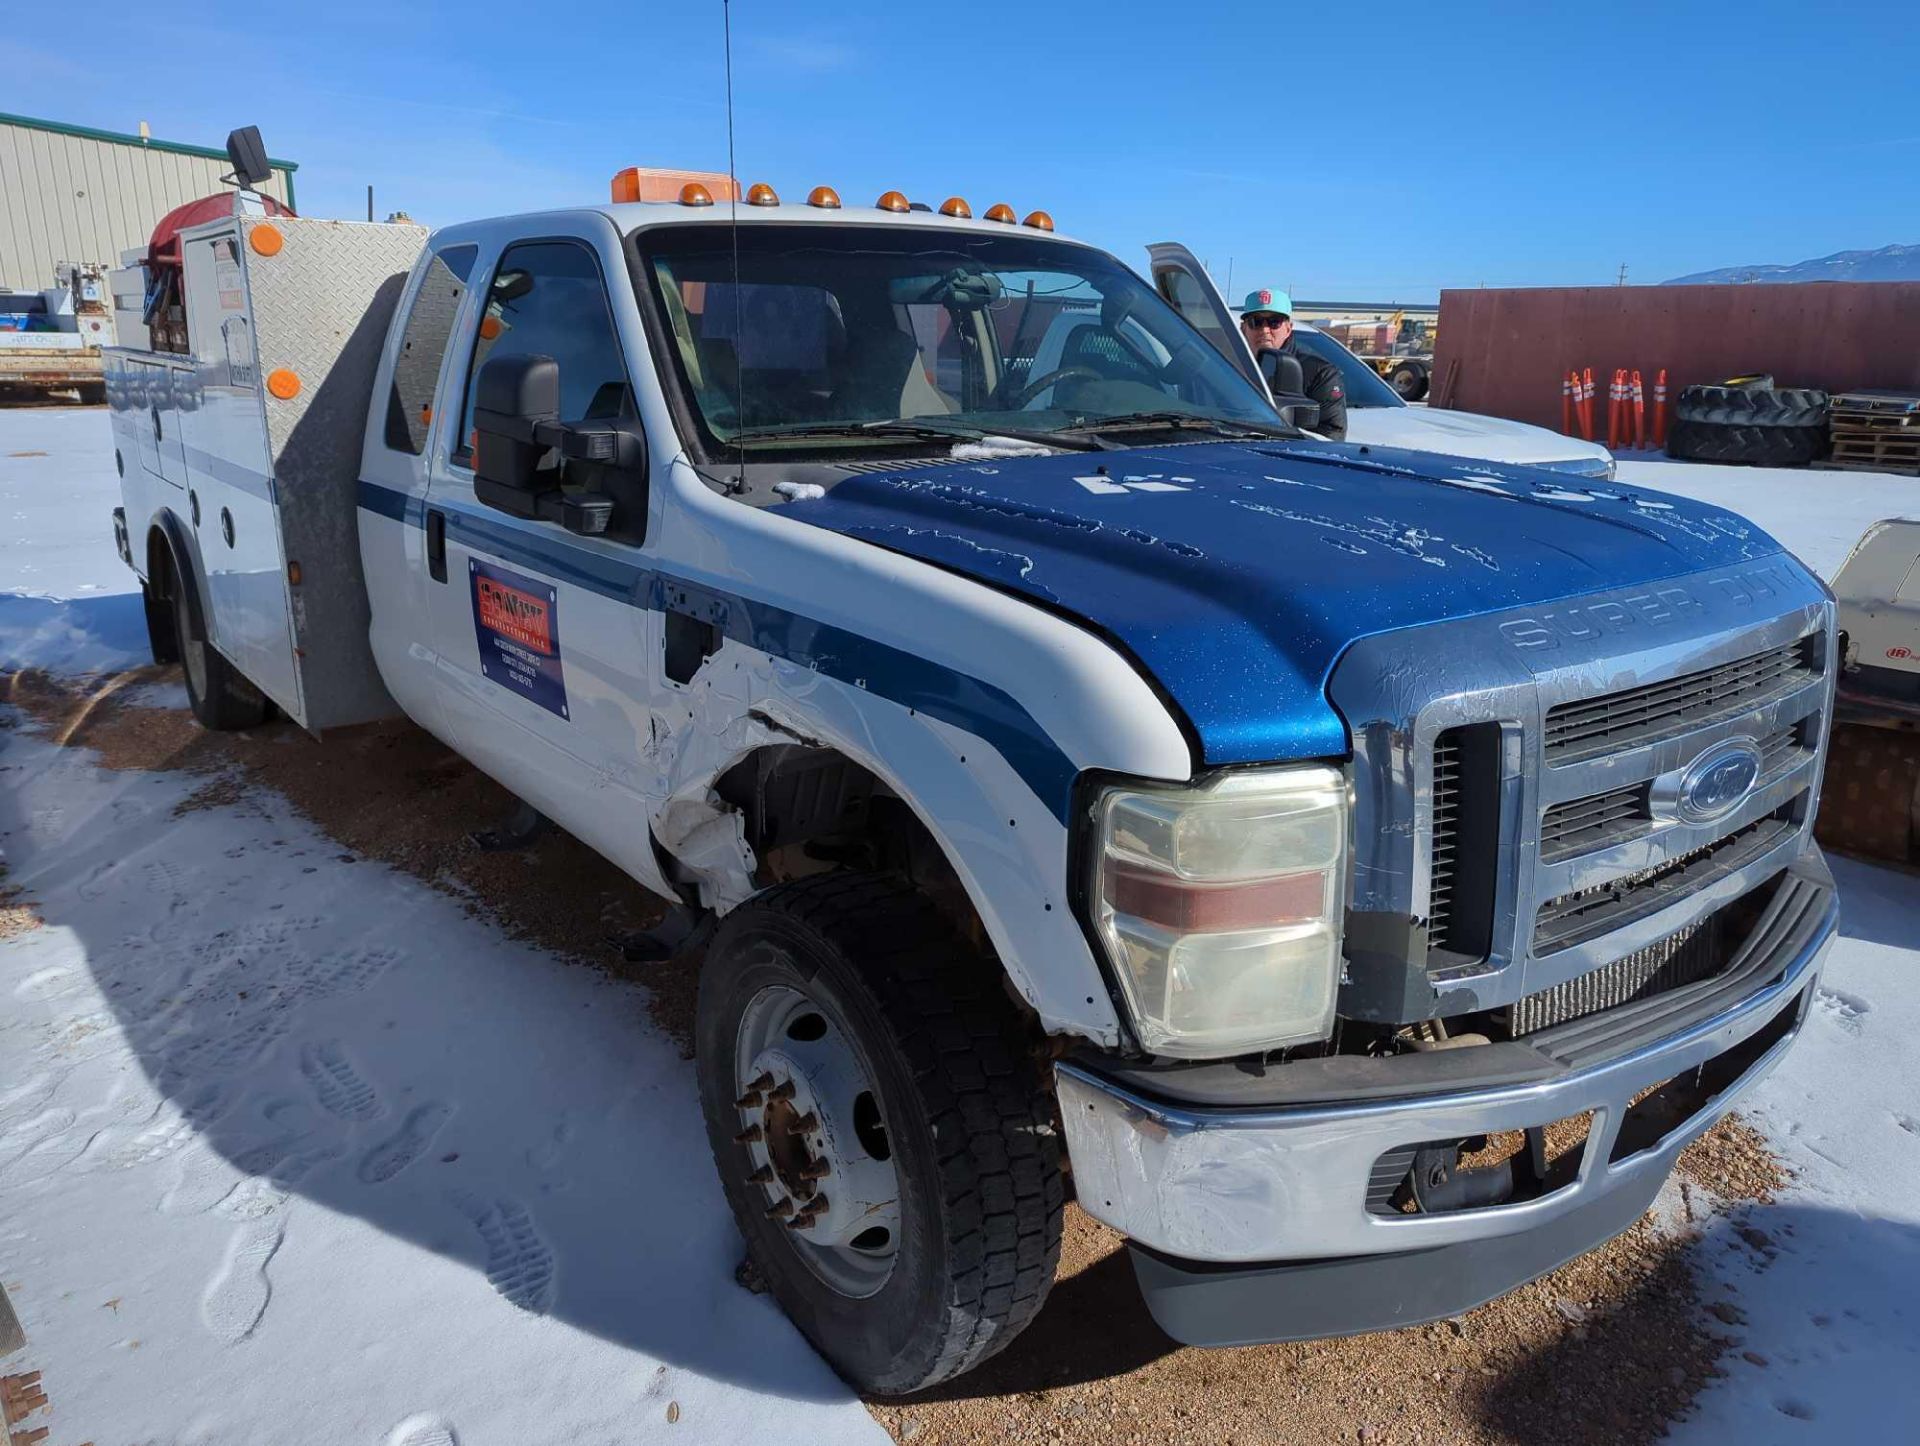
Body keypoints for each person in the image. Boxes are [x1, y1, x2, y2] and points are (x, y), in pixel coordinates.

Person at [1239, 288, 1347, 439]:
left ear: (1288, 328)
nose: (1264, 330)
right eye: (1255, 322)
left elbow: (1331, 434)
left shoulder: (1320, 374)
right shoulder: (1225, 366)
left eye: (1274, 322)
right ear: (1243, 328)